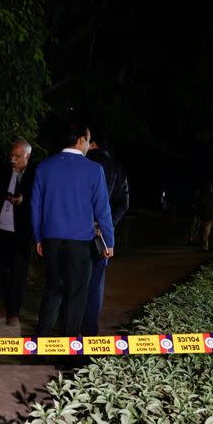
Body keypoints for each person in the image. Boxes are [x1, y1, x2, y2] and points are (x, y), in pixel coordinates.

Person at [30, 124, 114, 340]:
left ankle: (39, 345)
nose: (89, 145)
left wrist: (38, 238)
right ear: (80, 140)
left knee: (52, 290)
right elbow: (103, 210)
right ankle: (65, 357)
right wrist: (108, 241)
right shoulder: (94, 170)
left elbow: (35, 207)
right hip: (80, 244)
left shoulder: (44, 167)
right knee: (75, 298)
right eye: (88, 140)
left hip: (51, 241)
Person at [82, 136, 129, 336]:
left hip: (78, 232)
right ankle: (90, 329)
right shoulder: (118, 168)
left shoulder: (84, 164)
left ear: (93, 145)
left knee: (73, 279)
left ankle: (69, 330)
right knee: (96, 281)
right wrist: (105, 225)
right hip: (101, 236)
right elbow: (124, 203)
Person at [0, 140, 36, 326]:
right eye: (11, 155)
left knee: (18, 272)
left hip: (21, 232)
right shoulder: (3, 170)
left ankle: (13, 311)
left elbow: (37, 196)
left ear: (27, 156)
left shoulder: (33, 174)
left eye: (17, 156)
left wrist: (24, 198)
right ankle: (6, 302)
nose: (13, 159)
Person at [198, 181, 213, 252]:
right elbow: (202, 208)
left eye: (211, 187)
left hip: (208, 218)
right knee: (205, 233)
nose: (210, 189)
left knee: (206, 232)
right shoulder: (207, 197)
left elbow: (212, 208)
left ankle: (206, 246)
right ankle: (205, 246)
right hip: (206, 218)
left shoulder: (209, 197)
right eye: (210, 187)